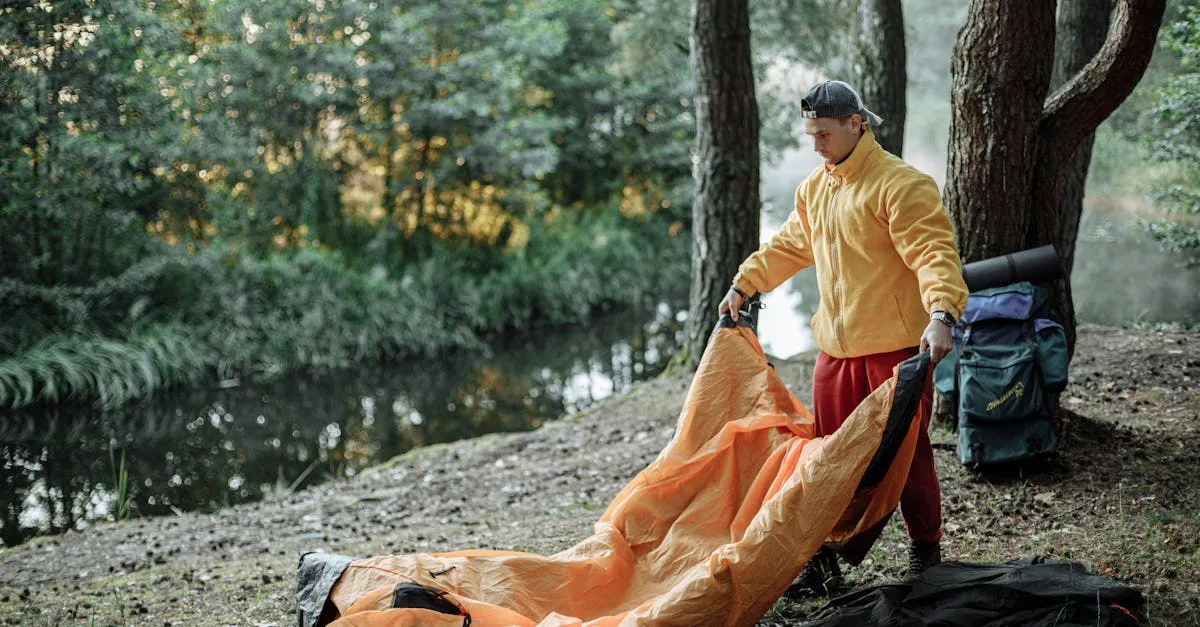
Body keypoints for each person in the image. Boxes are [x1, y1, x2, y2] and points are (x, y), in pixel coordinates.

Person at [718, 80, 968, 593]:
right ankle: (825, 558)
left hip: (896, 350)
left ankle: (927, 552)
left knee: (908, 452)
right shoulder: (815, 187)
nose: (816, 145)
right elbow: (790, 244)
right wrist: (745, 283)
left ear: (858, 124)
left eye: (824, 134)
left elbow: (933, 253)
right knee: (827, 457)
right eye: (811, 135)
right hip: (835, 351)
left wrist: (942, 313)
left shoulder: (901, 184)